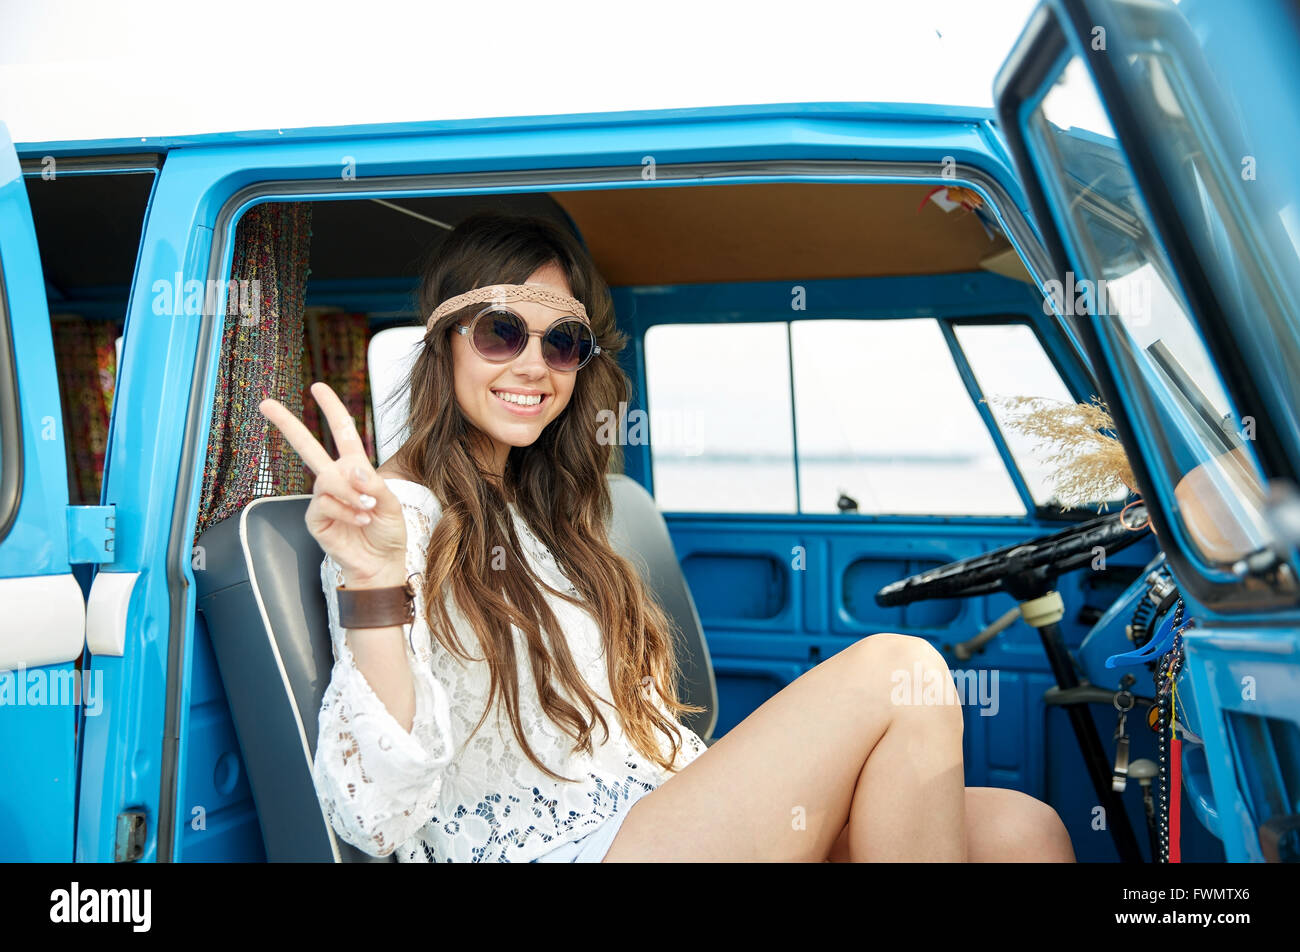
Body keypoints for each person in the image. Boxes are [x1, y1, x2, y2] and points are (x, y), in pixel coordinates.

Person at [259, 212, 1075, 863]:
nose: (534, 364)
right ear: (444, 343)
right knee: (904, 669)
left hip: (648, 813)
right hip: (555, 851)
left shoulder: (552, 514)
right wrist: (371, 578)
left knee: (1022, 833)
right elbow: (376, 813)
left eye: (562, 341)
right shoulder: (389, 520)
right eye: (501, 332)